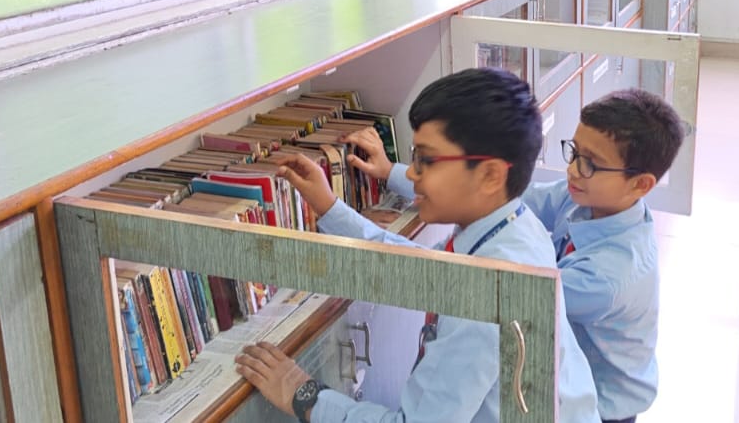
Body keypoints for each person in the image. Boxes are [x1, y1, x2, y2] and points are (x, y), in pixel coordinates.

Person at [235, 68, 601, 423]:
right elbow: (420, 264)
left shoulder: (484, 297)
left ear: (490, 174)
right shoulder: (513, 225)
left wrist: (304, 396)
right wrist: (330, 207)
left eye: (426, 160)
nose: (411, 173)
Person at [343, 88, 684, 423]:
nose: (573, 171)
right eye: (574, 152)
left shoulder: (607, 278)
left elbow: (508, 286)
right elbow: (511, 196)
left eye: (591, 164)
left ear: (641, 185)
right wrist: (392, 173)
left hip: (606, 405)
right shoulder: (588, 198)